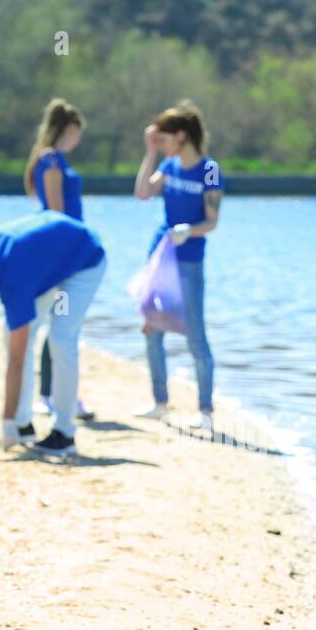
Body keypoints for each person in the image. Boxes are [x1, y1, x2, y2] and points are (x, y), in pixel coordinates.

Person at [0, 211, 107, 457]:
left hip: (82, 262)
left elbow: (17, 360)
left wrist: (4, 420)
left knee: (60, 339)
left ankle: (64, 433)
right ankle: (22, 426)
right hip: (47, 264)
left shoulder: (14, 280)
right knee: (15, 337)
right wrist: (10, 422)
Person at [133, 101, 223, 431]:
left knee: (196, 335)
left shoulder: (209, 170)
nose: (162, 144)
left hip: (189, 261)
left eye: (165, 139)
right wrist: (150, 152)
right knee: (151, 328)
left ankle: (205, 411)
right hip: (161, 259)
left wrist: (190, 230)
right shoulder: (168, 165)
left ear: (181, 136)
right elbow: (143, 193)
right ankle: (160, 403)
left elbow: (213, 221)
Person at [23, 97, 94, 422]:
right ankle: (51, 395)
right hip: (61, 250)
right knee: (61, 323)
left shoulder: (51, 159)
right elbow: (55, 210)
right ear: (68, 129)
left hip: (67, 248)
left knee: (59, 323)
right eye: (77, 133)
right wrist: (66, 253)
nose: (78, 140)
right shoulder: (51, 160)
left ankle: (54, 393)